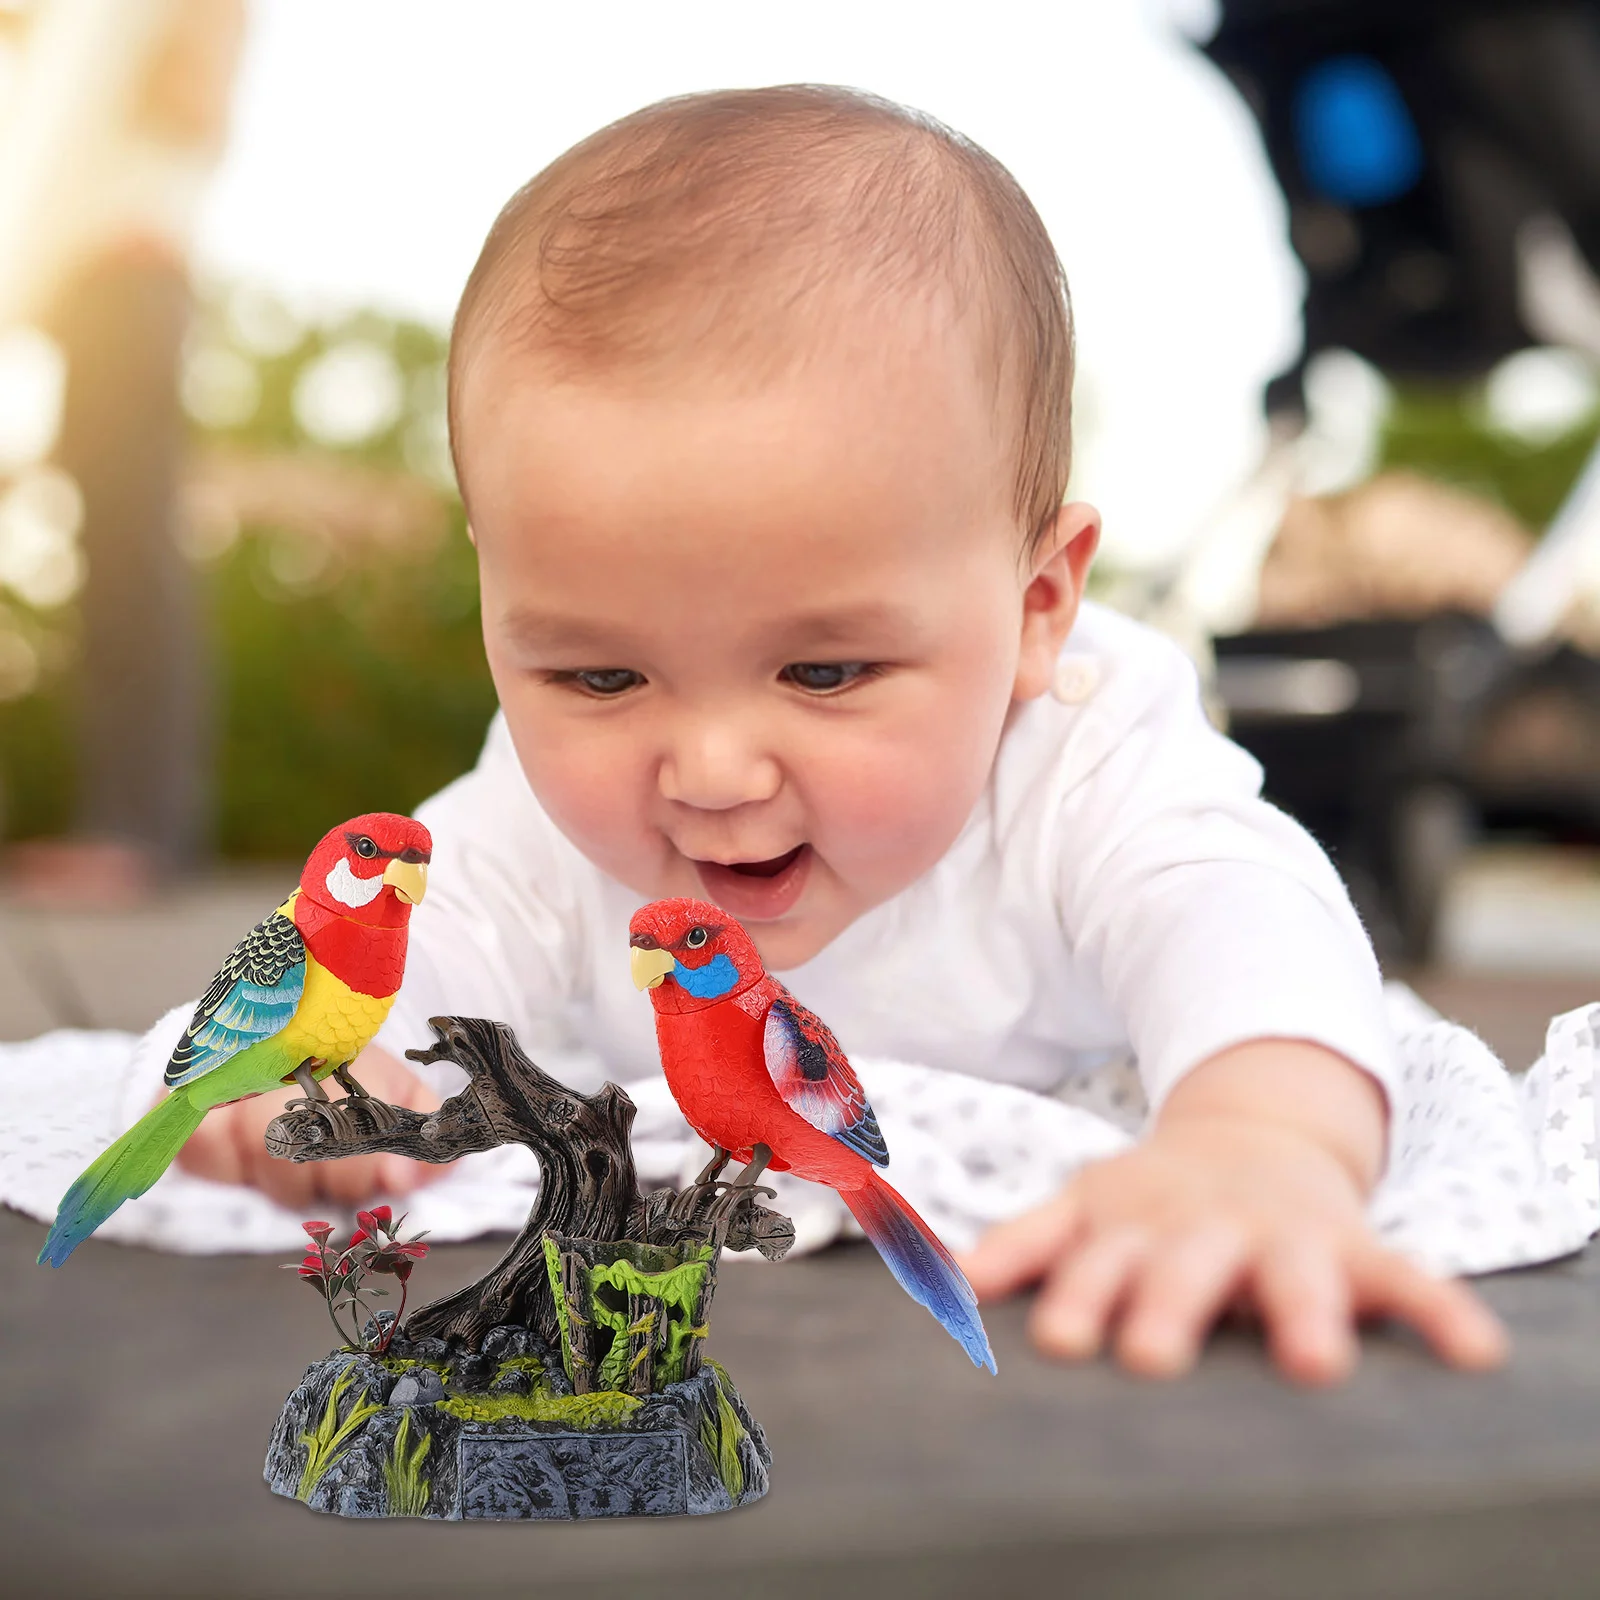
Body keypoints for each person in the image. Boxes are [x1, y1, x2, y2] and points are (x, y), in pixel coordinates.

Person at [172, 85, 1507, 1384]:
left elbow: (1241, 915)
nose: (709, 770)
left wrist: (1257, 1142)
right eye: (598, 675)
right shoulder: (537, 810)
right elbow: (410, 941)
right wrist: (339, 1062)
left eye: (821, 670)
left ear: (1037, 606)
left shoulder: (1087, 758)